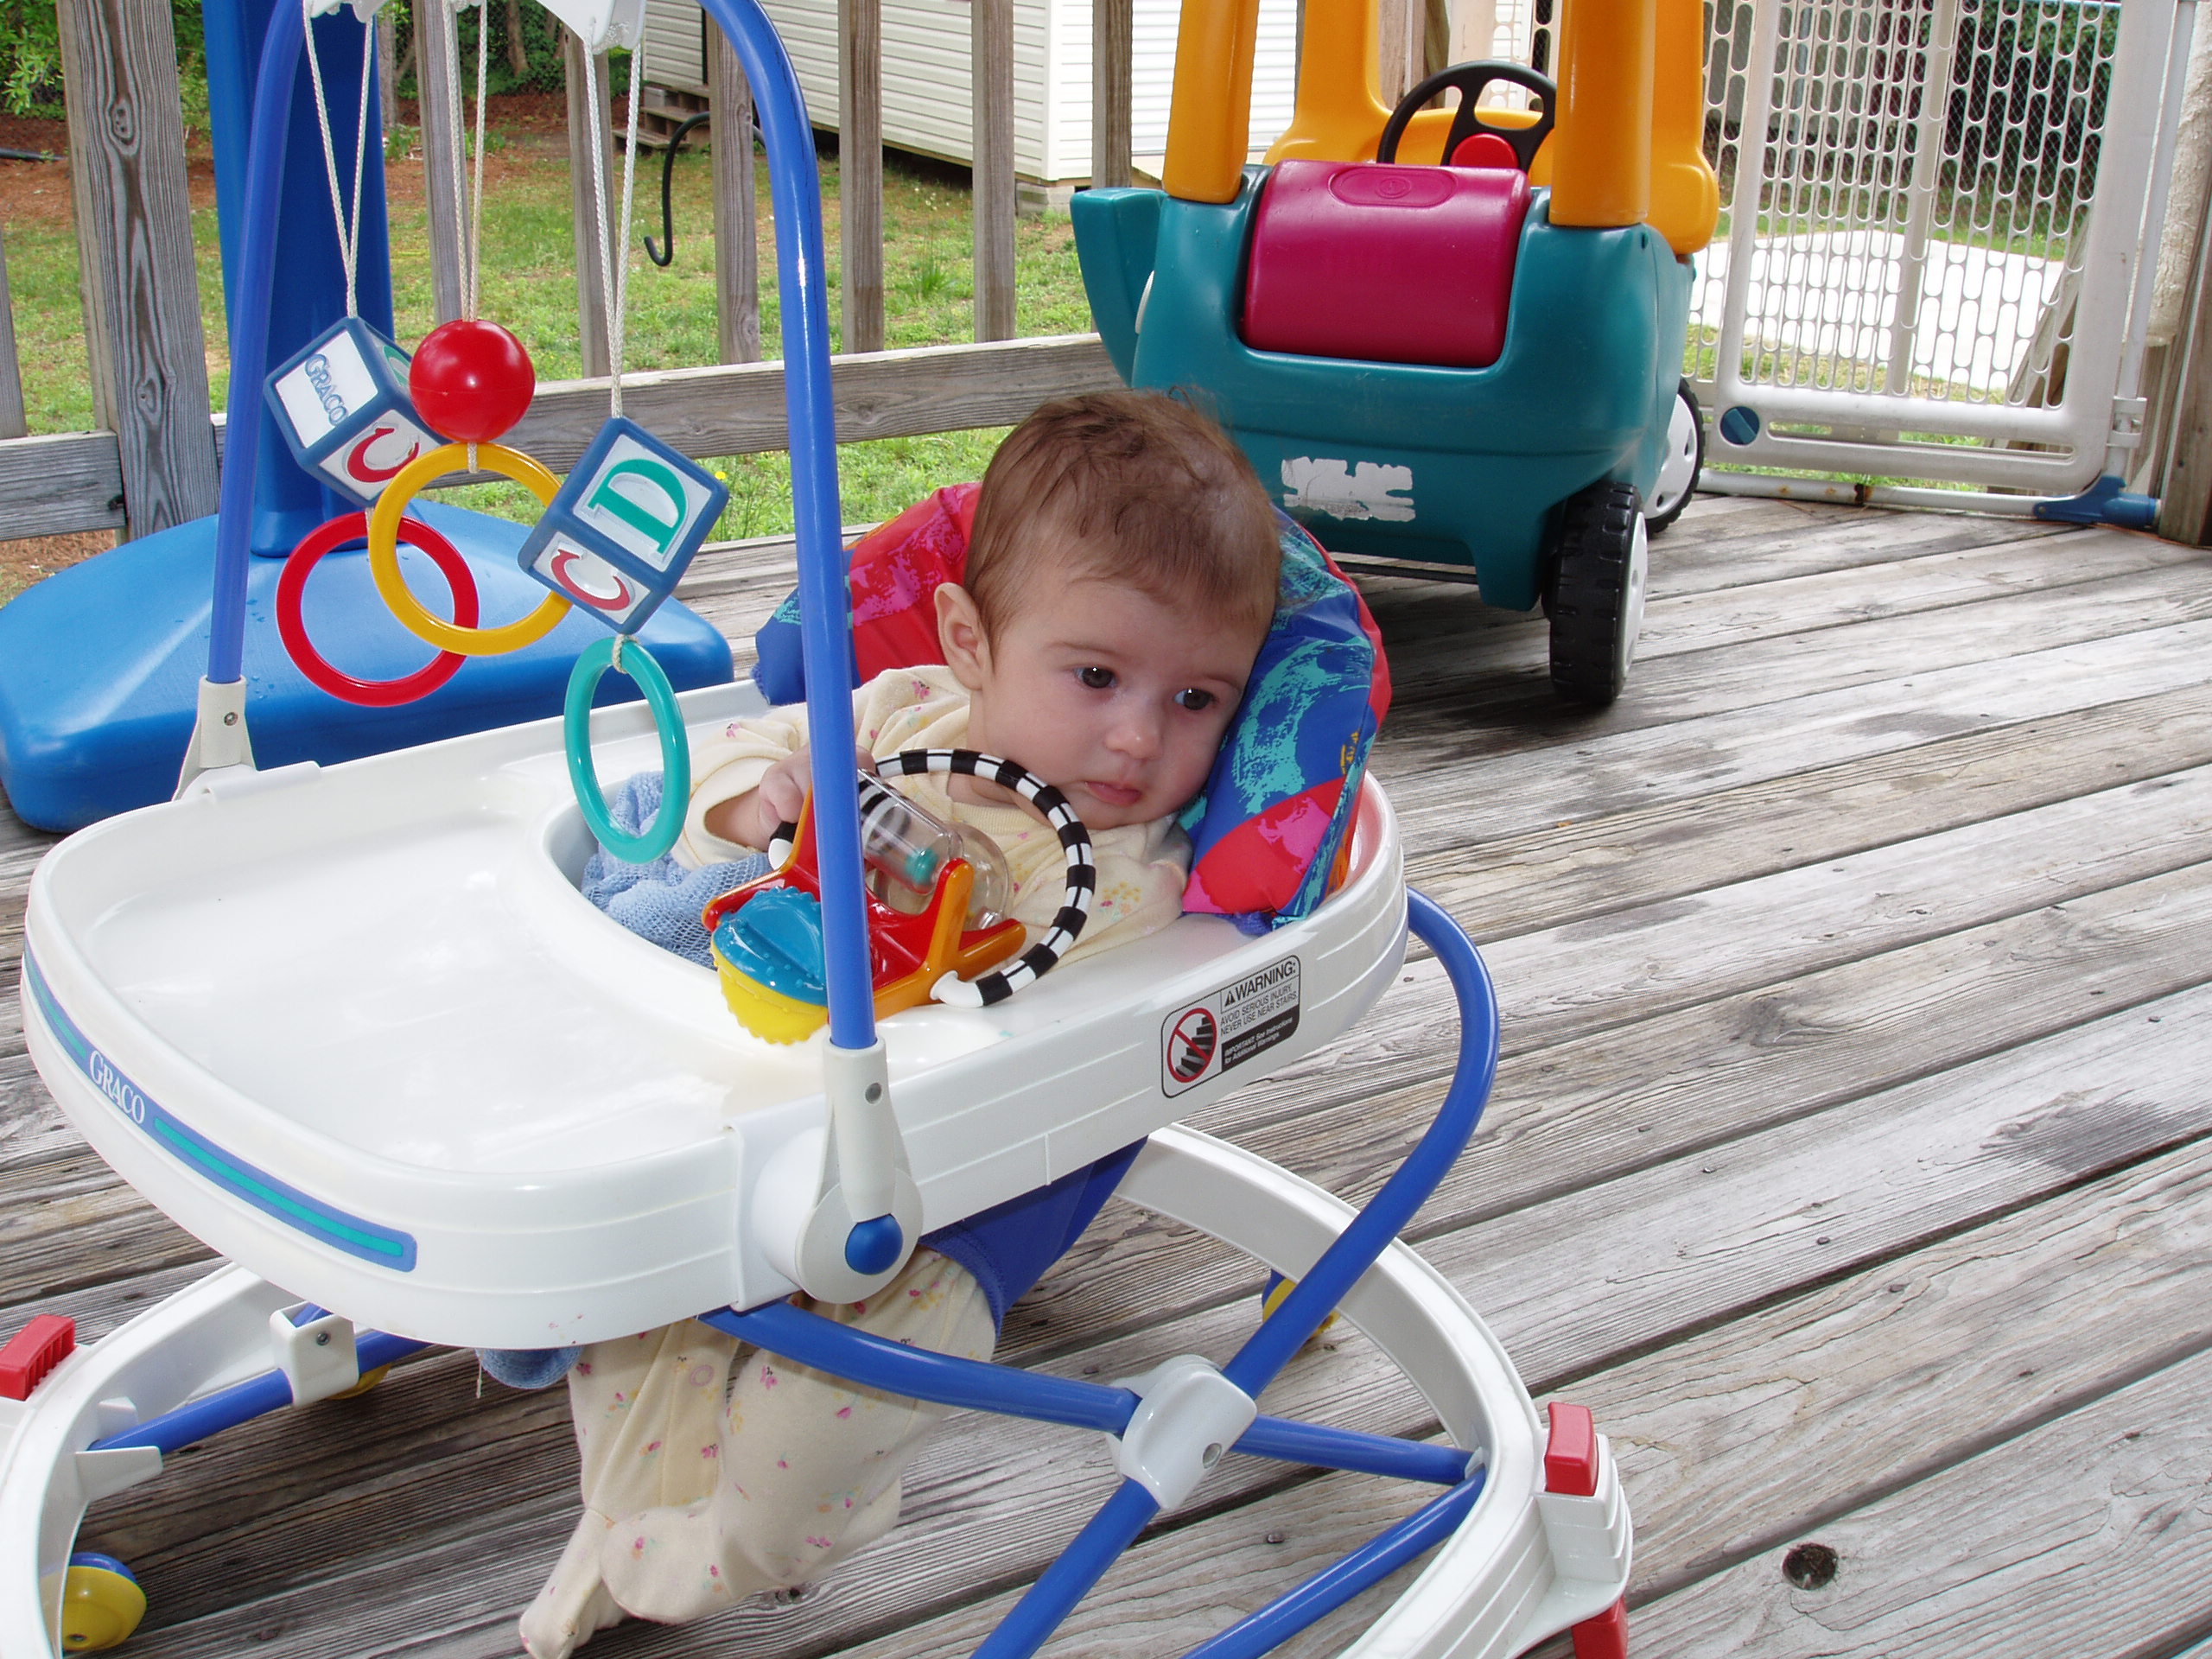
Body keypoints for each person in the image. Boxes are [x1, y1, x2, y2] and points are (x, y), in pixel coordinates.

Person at [515, 390, 1285, 1658]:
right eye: (1096, 676)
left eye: (1199, 699)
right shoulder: (897, 713)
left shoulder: (1121, 868)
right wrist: (762, 802)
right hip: (735, 1109)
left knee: (806, 1446)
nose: (1140, 736)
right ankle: (618, 1523)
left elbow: (1057, 1016)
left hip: (939, 1201)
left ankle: (707, 1558)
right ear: (969, 640)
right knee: (637, 1319)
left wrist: (961, 931)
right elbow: (728, 772)